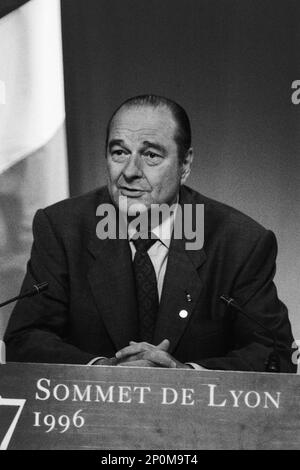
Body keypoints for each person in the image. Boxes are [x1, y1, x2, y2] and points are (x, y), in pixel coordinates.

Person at [4, 95, 296, 372]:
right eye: (119, 152)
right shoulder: (64, 228)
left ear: (185, 165)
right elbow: (25, 338)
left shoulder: (238, 241)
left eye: (151, 155)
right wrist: (103, 371)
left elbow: (274, 351)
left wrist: (188, 376)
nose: (130, 171)